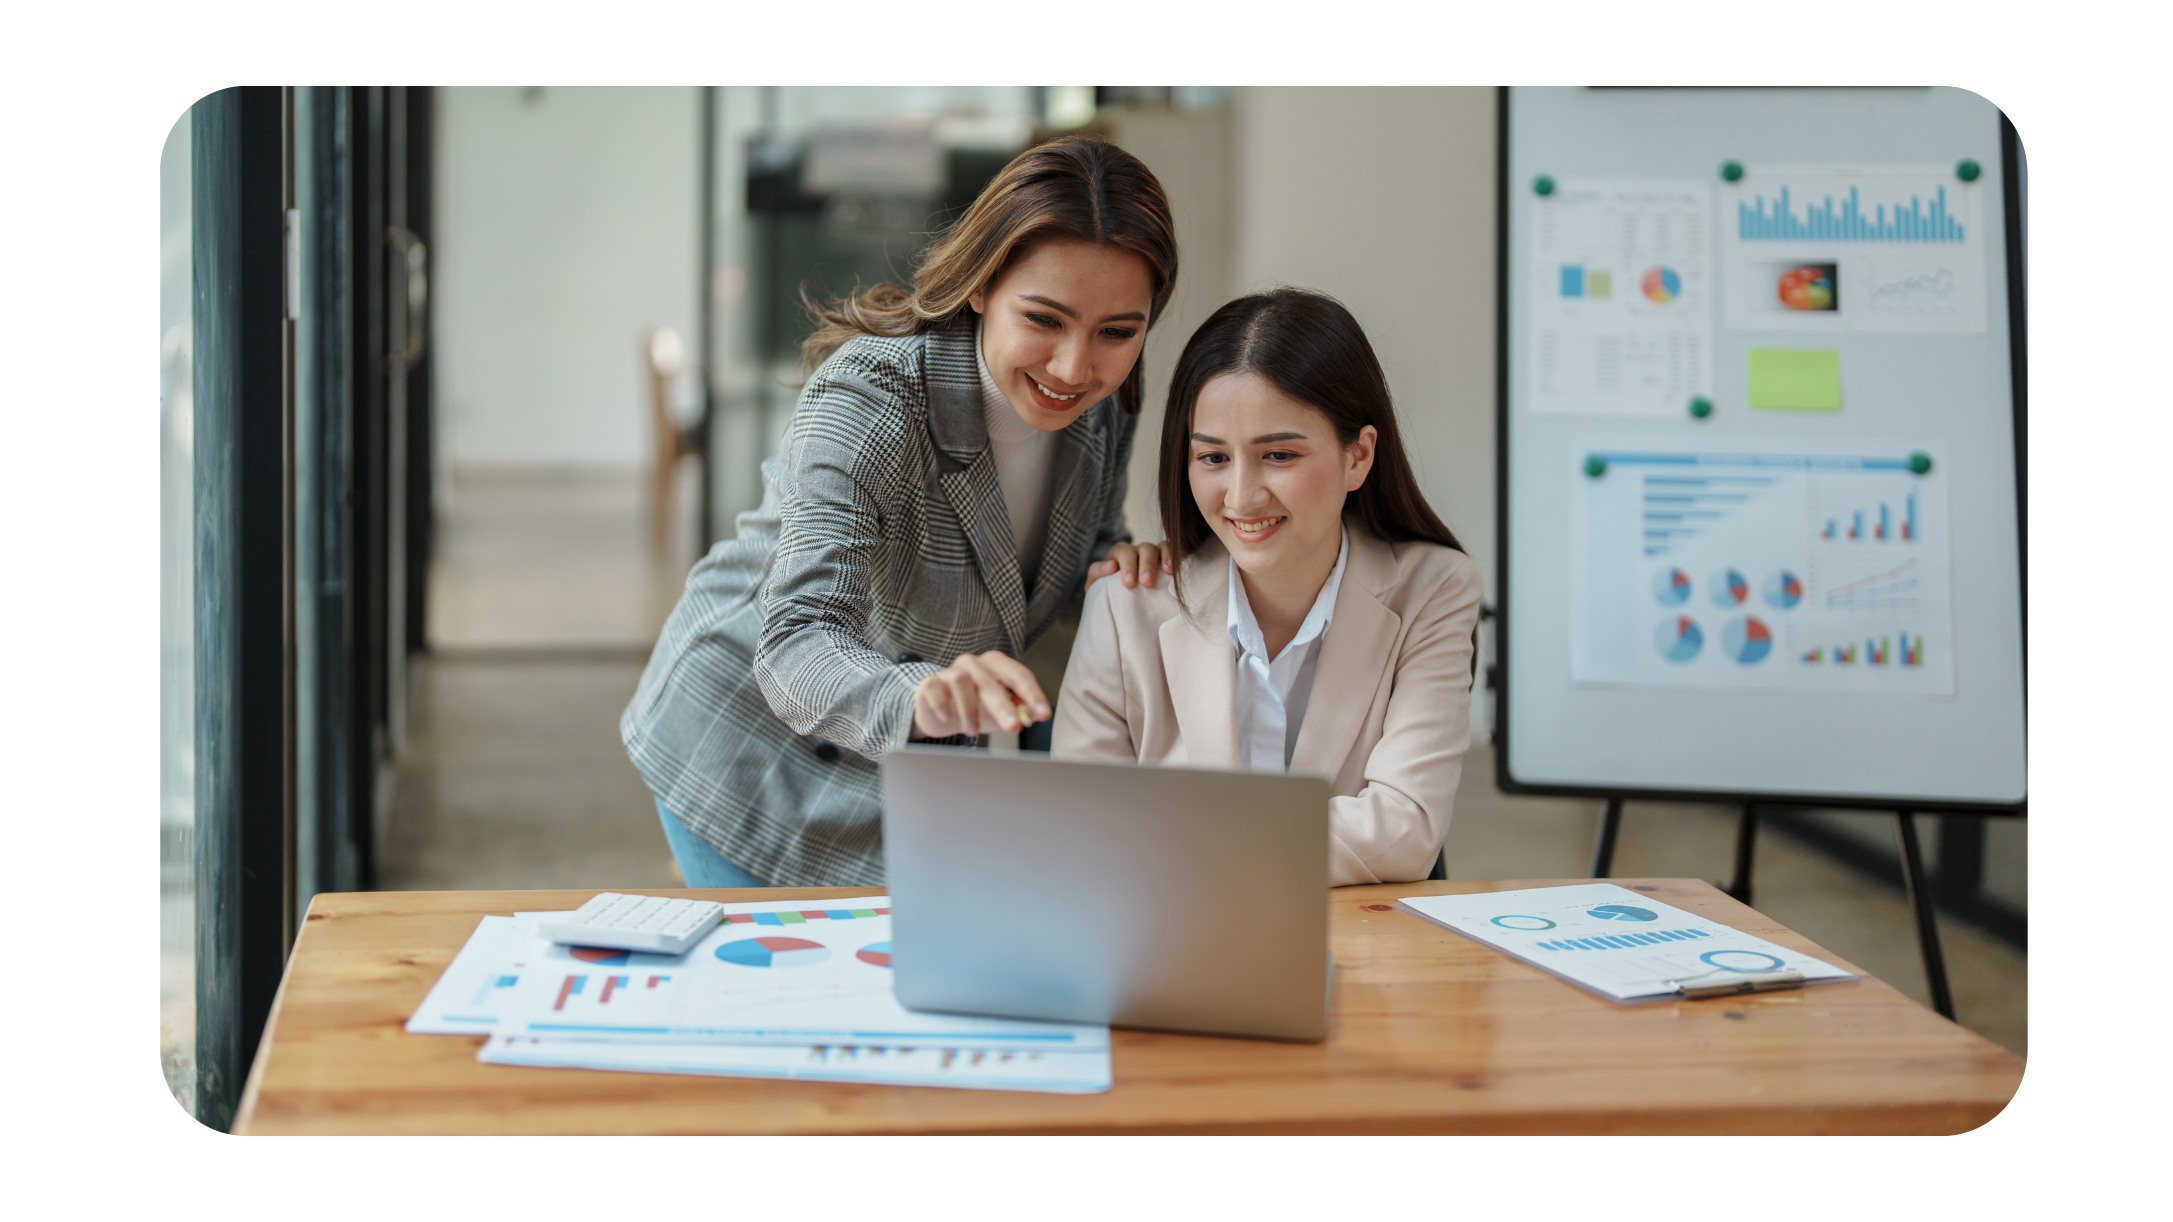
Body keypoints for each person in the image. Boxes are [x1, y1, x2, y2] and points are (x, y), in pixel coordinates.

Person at [624, 136, 1178, 888]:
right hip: (746, 748)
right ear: (982, 284)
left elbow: (1074, 543)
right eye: (1044, 319)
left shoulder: (1104, 406)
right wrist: (921, 695)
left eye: (1118, 331)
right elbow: (796, 643)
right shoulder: (871, 402)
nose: (1074, 367)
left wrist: (1116, 563)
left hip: (904, 768)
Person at [1051, 288, 1483, 886]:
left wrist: (1166, 837)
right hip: (1174, 954)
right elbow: (1078, 832)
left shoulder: (1433, 589)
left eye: (1278, 455)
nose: (1241, 497)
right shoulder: (1126, 604)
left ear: (1358, 457)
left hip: (1360, 951)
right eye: (1212, 458)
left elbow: (1403, 831)